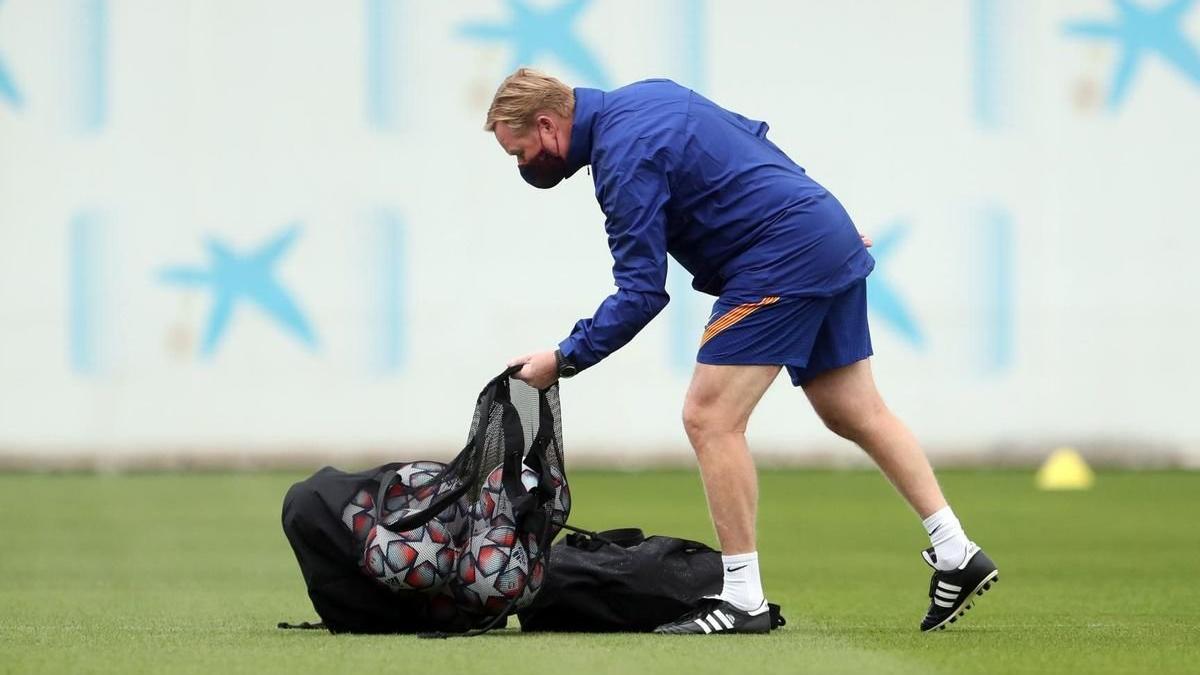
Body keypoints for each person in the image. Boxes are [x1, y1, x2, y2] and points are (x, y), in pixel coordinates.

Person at [486, 68, 998, 634]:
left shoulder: (621, 159)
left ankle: (742, 600)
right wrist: (820, 215)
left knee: (709, 417)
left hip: (780, 256)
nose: (523, 165)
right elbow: (753, 142)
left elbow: (640, 292)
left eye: (521, 152)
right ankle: (955, 550)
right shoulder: (650, 94)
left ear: (547, 124)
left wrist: (564, 357)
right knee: (855, 411)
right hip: (821, 229)